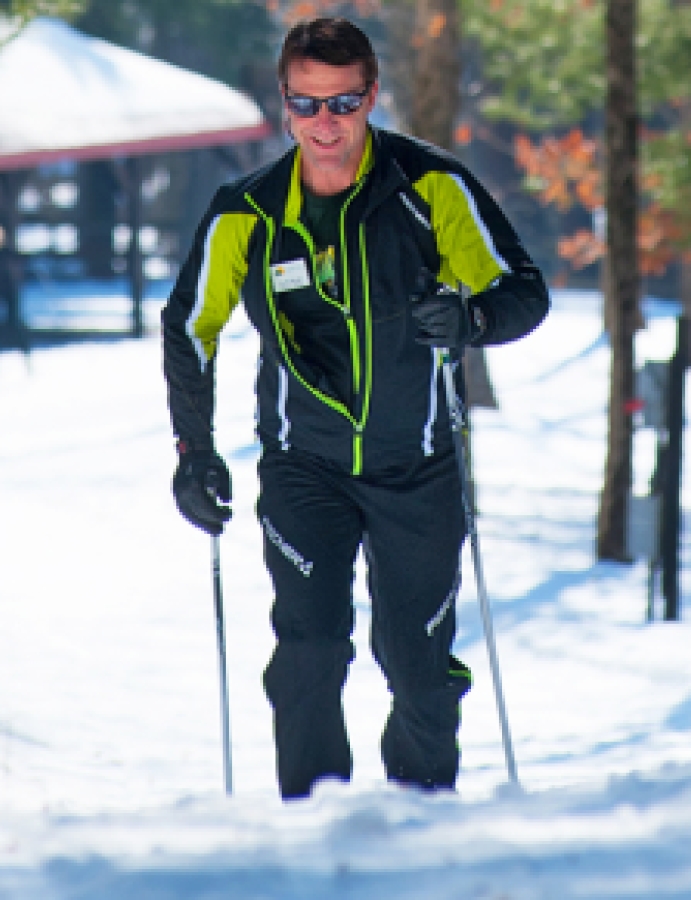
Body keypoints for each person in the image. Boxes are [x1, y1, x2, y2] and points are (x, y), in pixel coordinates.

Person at [162, 16, 549, 800]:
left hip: (419, 468)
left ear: (370, 98)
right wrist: (192, 453)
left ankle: (421, 818)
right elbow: (189, 326)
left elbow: (524, 293)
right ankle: (312, 828)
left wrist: (471, 321)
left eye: (341, 103)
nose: (324, 124)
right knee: (308, 649)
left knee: (418, 668)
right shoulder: (249, 210)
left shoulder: (428, 186)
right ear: (283, 105)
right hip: (305, 469)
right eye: (305, 105)